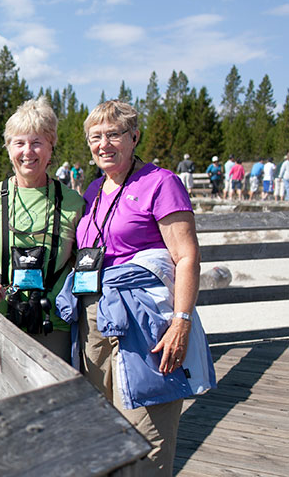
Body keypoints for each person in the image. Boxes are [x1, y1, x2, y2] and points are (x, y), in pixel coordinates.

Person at [55, 100, 215, 476]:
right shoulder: (94, 189)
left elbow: (187, 257)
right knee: (106, 429)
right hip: (95, 322)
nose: (104, 144)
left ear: (134, 137)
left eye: (114, 134)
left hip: (144, 328)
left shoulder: (161, 183)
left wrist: (181, 322)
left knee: (147, 435)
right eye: (96, 137)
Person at [0, 97, 85, 385]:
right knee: (2, 416)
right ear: (8, 148)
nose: (28, 152)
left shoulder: (74, 203)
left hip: (54, 328)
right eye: (19, 143)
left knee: (50, 411)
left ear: (51, 147)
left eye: (37, 142)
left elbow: (88, 259)